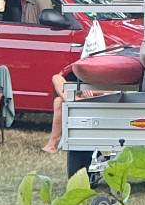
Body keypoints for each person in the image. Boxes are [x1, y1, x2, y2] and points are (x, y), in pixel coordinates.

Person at [44, 24, 110, 154]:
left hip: (100, 100)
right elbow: (57, 77)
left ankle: (52, 144)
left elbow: (114, 91)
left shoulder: (109, 69)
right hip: (77, 97)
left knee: (60, 101)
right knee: (59, 99)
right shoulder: (77, 67)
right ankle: (52, 144)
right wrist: (77, 93)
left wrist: (93, 92)